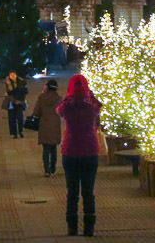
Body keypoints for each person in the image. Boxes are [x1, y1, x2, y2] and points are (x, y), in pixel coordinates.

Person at [56, 74, 101, 237]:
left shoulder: (67, 107)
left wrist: (69, 97)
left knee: (72, 192)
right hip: (90, 151)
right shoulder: (91, 107)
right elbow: (98, 106)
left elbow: (58, 110)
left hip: (71, 151)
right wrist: (91, 96)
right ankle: (89, 228)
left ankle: (72, 227)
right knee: (88, 192)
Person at [30, 78, 62, 176]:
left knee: (46, 149)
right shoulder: (59, 98)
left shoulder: (42, 97)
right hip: (55, 125)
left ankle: (46, 170)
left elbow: (36, 112)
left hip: (44, 124)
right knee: (53, 148)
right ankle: (53, 168)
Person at [4, 70, 28, 138]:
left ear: (16, 75)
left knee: (20, 118)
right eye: (11, 75)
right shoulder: (7, 81)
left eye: (14, 75)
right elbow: (9, 91)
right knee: (12, 118)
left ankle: (20, 131)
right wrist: (11, 93)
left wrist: (11, 93)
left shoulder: (21, 81)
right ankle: (14, 133)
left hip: (20, 101)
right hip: (11, 101)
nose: (12, 76)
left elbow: (23, 90)